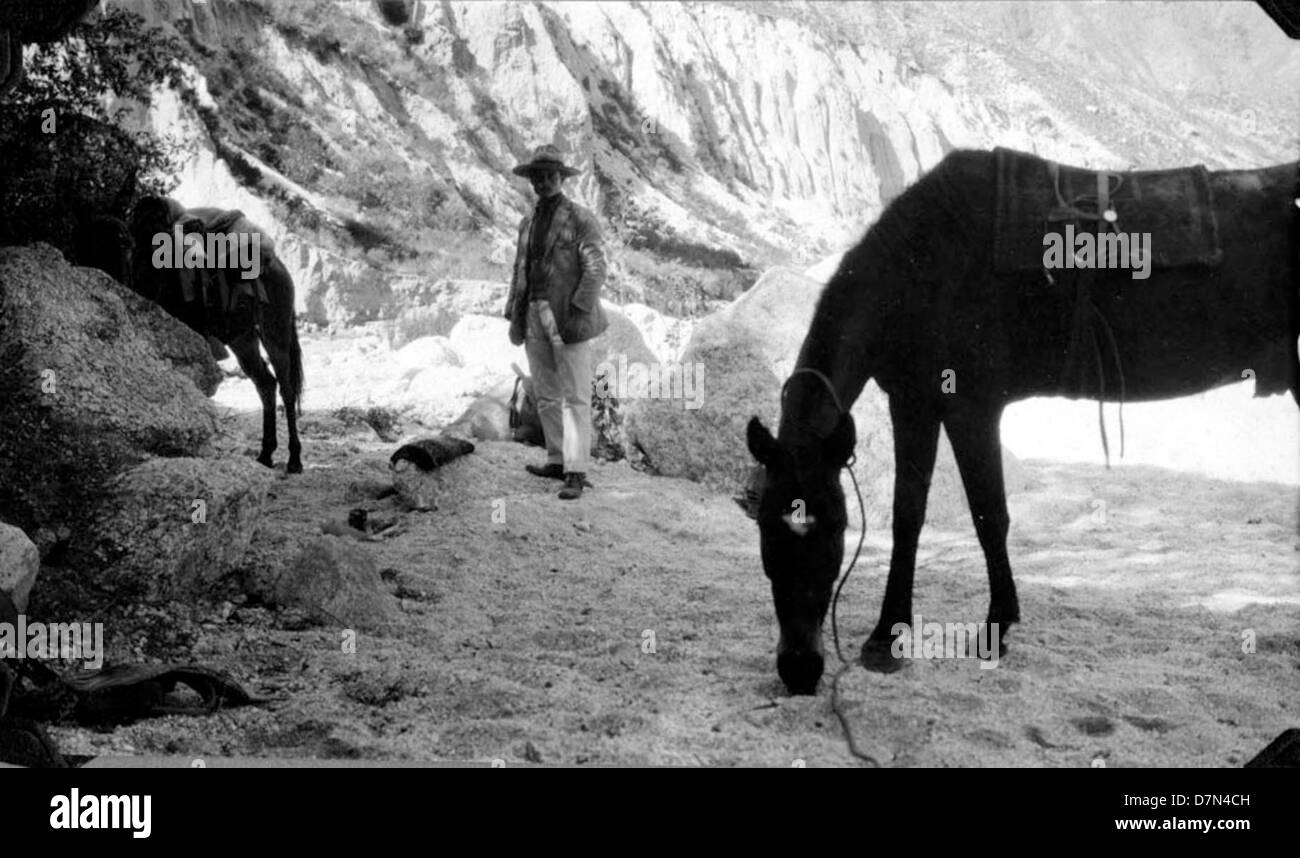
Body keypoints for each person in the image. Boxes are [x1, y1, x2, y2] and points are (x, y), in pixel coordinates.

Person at [504, 144, 608, 500]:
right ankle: (557, 459)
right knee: (546, 392)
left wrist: (579, 309)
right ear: (531, 181)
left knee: (576, 396)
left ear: (562, 178)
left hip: (567, 317)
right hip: (533, 313)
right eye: (538, 176)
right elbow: (519, 271)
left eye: (550, 175)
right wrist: (513, 314)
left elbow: (596, 267)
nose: (543, 182)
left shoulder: (580, 219)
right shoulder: (527, 223)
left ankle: (577, 471)